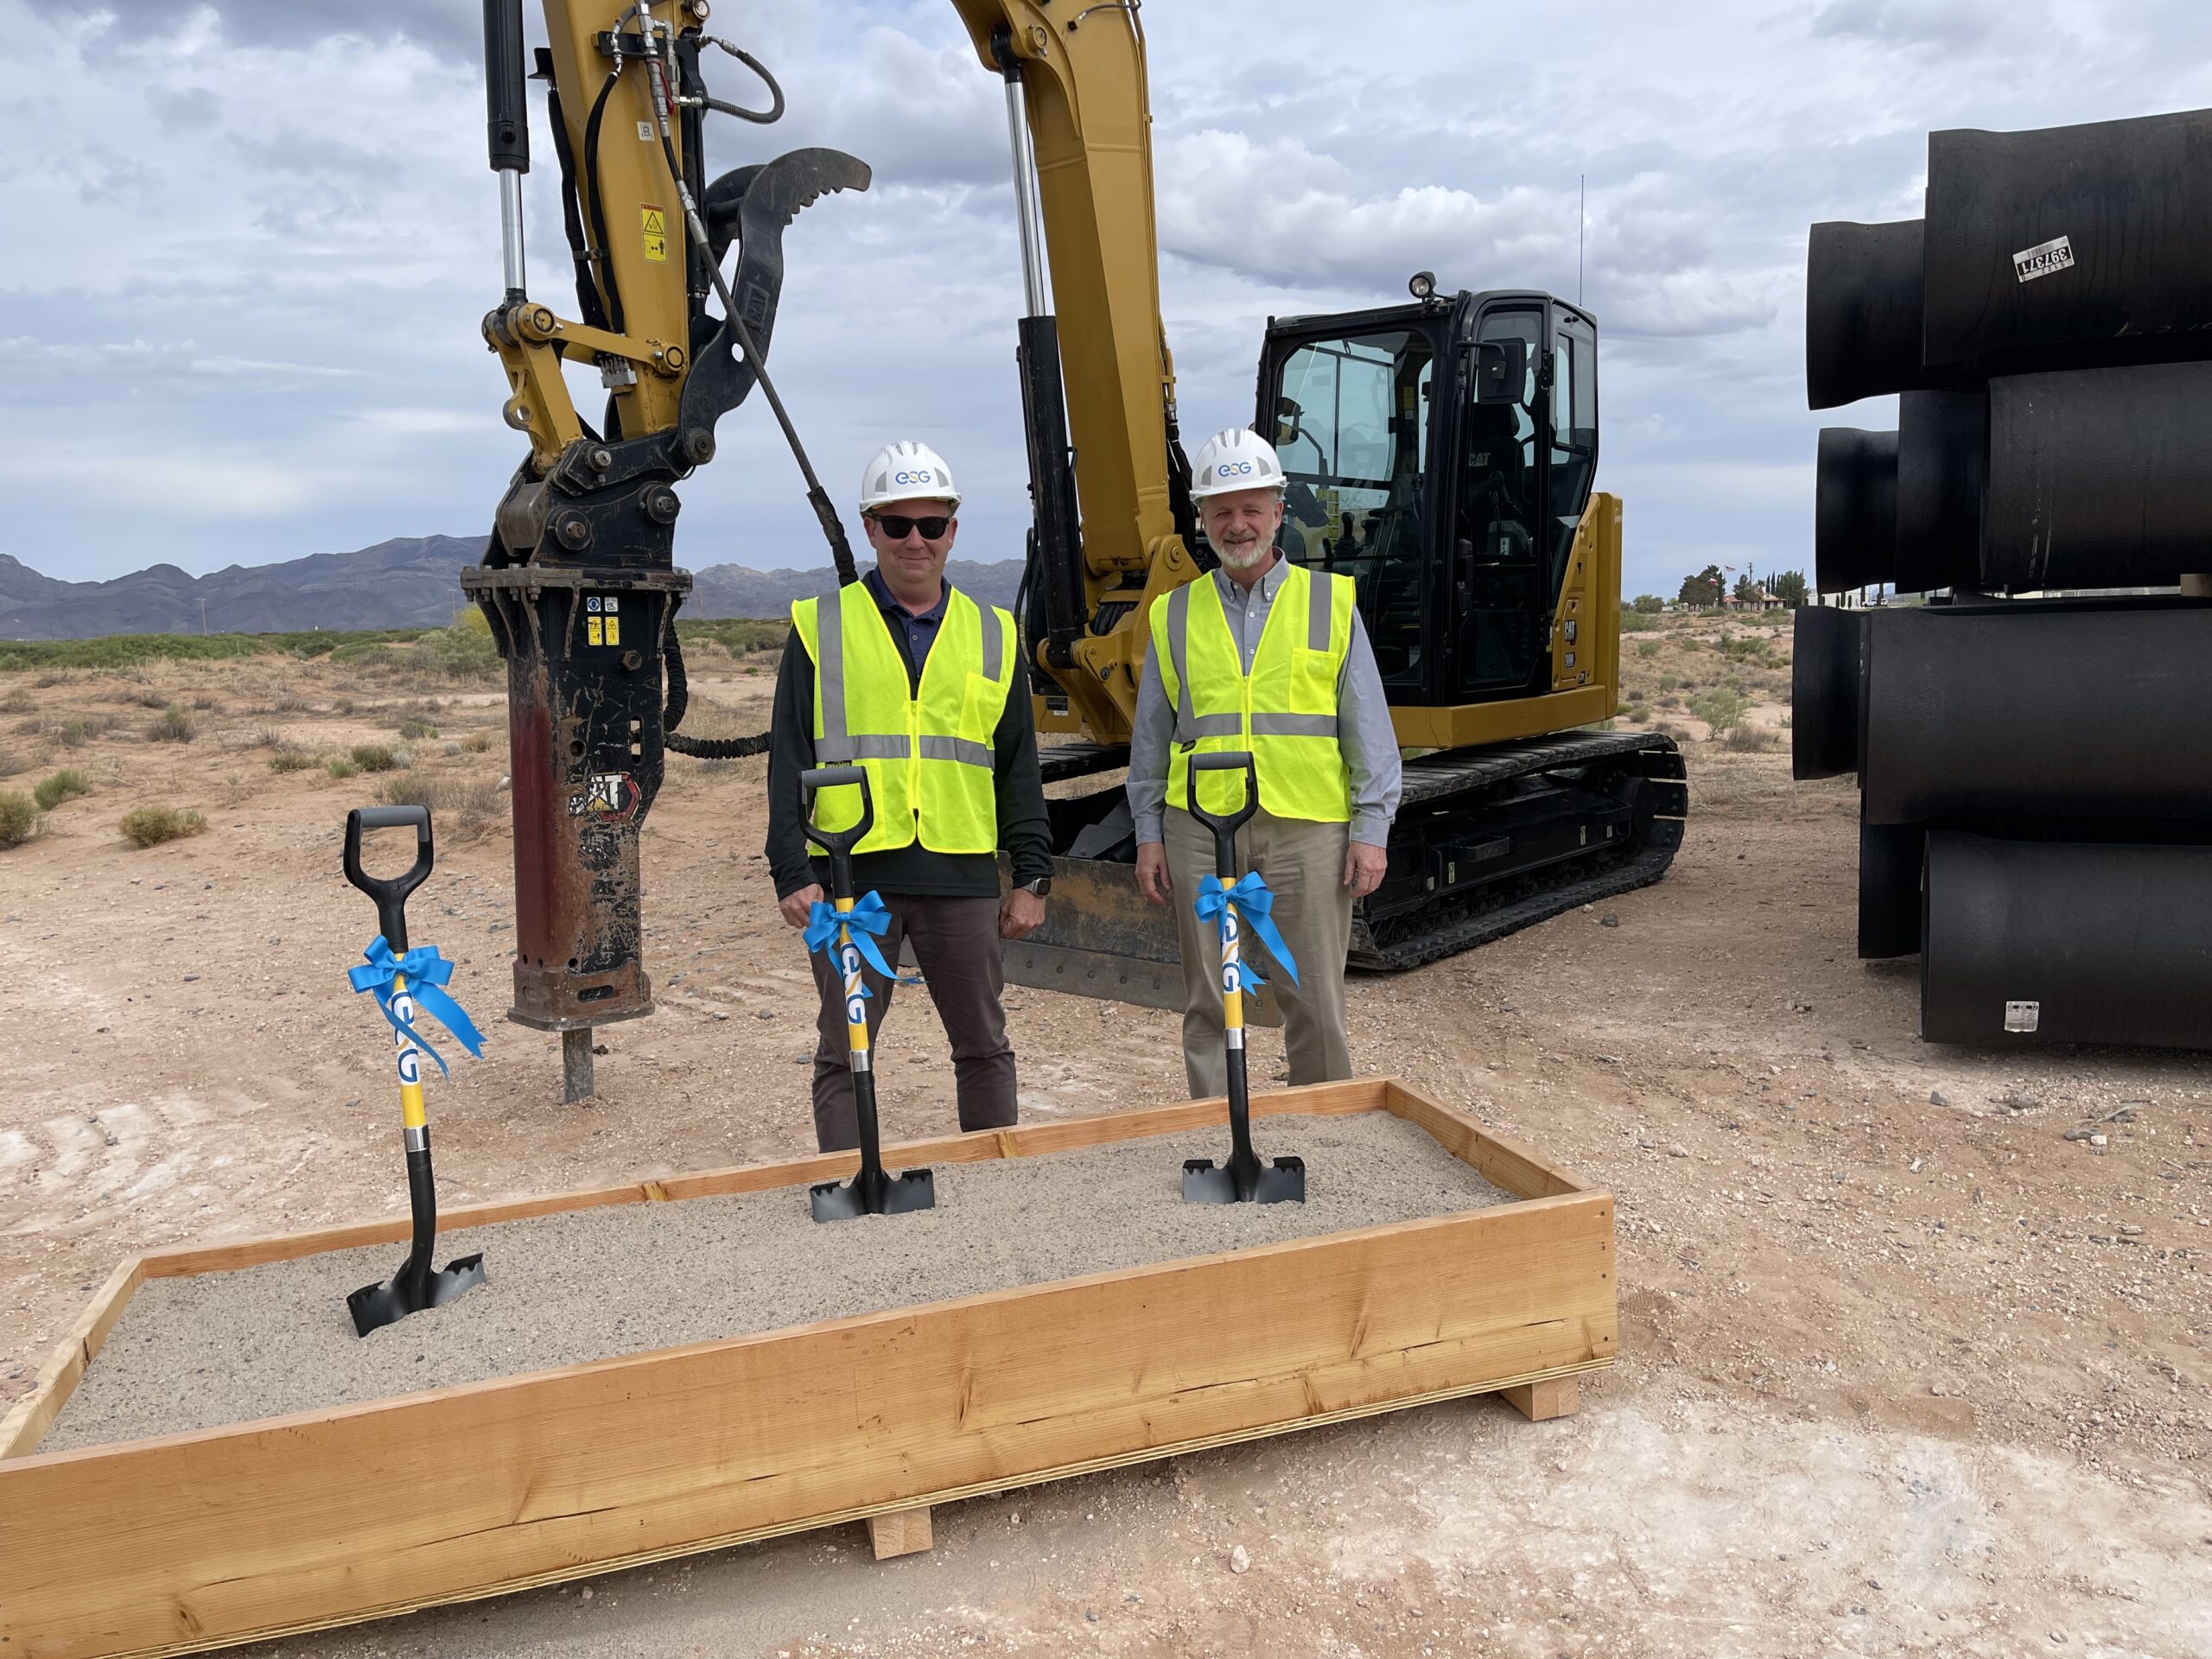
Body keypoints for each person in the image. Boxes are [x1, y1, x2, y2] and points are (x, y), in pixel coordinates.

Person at [766, 440, 1052, 1153]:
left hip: (961, 874)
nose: (915, 540)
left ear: (954, 530)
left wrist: (1034, 874)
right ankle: (848, 1183)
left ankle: (994, 1180)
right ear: (871, 529)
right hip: (850, 876)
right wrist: (790, 870)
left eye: (931, 524)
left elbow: (1017, 767)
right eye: (897, 524)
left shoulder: (995, 633)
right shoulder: (820, 625)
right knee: (845, 1049)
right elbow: (788, 755)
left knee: (984, 1045)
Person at [1126, 428, 1402, 1098]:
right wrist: (1148, 834)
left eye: (1252, 508)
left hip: (1306, 827)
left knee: (1312, 996)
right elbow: (1151, 739)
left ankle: (1328, 1132)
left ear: (1279, 511)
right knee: (1210, 997)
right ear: (1202, 520)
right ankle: (1221, 1132)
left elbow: (1368, 726)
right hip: (1200, 829)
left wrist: (1372, 828)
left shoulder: (1329, 604)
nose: (1237, 523)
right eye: (1221, 510)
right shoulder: (1173, 613)